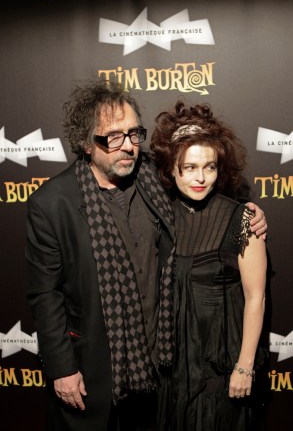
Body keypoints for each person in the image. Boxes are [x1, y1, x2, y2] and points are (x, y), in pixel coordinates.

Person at [26, 79, 267, 431]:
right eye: (113, 137)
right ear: (85, 144)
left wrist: (250, 213)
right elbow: (44, 295)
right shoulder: (51, 204)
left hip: (160, 371)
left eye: (133, 133)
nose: (128, 147)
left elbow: (197, 173)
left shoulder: (150, 175)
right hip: (94, 369)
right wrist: (62, 368)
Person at [150, 101, 267, 430]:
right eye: (189, 167)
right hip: (170, 372)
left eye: (210, 167)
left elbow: (256, 297)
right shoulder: (158, 218)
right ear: (171, 169)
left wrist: (245, 367)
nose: (200, 178)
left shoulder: (241, 218)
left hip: (221, 368)